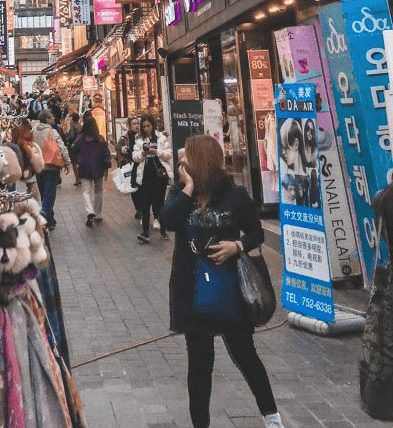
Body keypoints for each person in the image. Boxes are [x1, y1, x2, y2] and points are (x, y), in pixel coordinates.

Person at [162, 134, 284, 428]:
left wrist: (236, 246)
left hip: (230, 290)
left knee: (245, 355)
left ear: (201, 160)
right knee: (200, 365)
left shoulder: (235, 195)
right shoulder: (180, 192)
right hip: (192, 291)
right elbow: (167, 222)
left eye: (187, 156)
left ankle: (272, 416)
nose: (182, 161)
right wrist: (188, 189)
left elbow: (257, 233)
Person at [132, 114, 172, 242]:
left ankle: (163, 231)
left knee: (159, 203)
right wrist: (143, 153)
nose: (146, 129)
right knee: (145, 204)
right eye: (144, 127)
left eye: (148, 126)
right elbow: (134, 156)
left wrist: (157, 151)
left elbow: (168, 154)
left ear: (153, 125)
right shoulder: (139, 140)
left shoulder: (161, 138)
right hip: (145, 175)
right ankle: (145, 232)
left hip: (159, 175)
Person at [32, 109, 71, 229]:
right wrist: (68, 162)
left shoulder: (33, 130)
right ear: (47, 119)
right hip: (51, 166)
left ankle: (50, 218)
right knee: (49, 195)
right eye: (51, 117)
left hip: (38, 166)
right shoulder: (52, 131)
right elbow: (62, 147)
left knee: (44, 193)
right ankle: (44, 219)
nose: (53, 119)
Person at [73, 113, 111, 227]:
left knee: (86, 191)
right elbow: (106, 154)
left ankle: (90, 211)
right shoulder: (100, 139)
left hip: (84, 167)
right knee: (98, 190)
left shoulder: (80, 138)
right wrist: (106, 168)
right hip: (98, 167)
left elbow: (74, 150)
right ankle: (98, 214)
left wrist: (78, 159)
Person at [116, 116, 143, 219]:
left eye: (137, 123)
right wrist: (123, 149)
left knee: (141, 188)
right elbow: (117, 146)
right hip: (130, 165)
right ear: (129, 126)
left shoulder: (142, 136)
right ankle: (138, 209)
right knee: (133, 189)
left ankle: (142, 209)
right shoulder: (125, 137)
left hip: (141, 164)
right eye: (134, 124)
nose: (137, 125)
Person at [66, 112, 82, 185]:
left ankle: (77, 178)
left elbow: (72, 136)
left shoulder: (72, 126)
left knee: (74, 163)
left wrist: (67, 138)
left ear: (72, 119)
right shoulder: (80, 126)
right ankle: (81, 176)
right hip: (80, 146)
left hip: (74, 146)